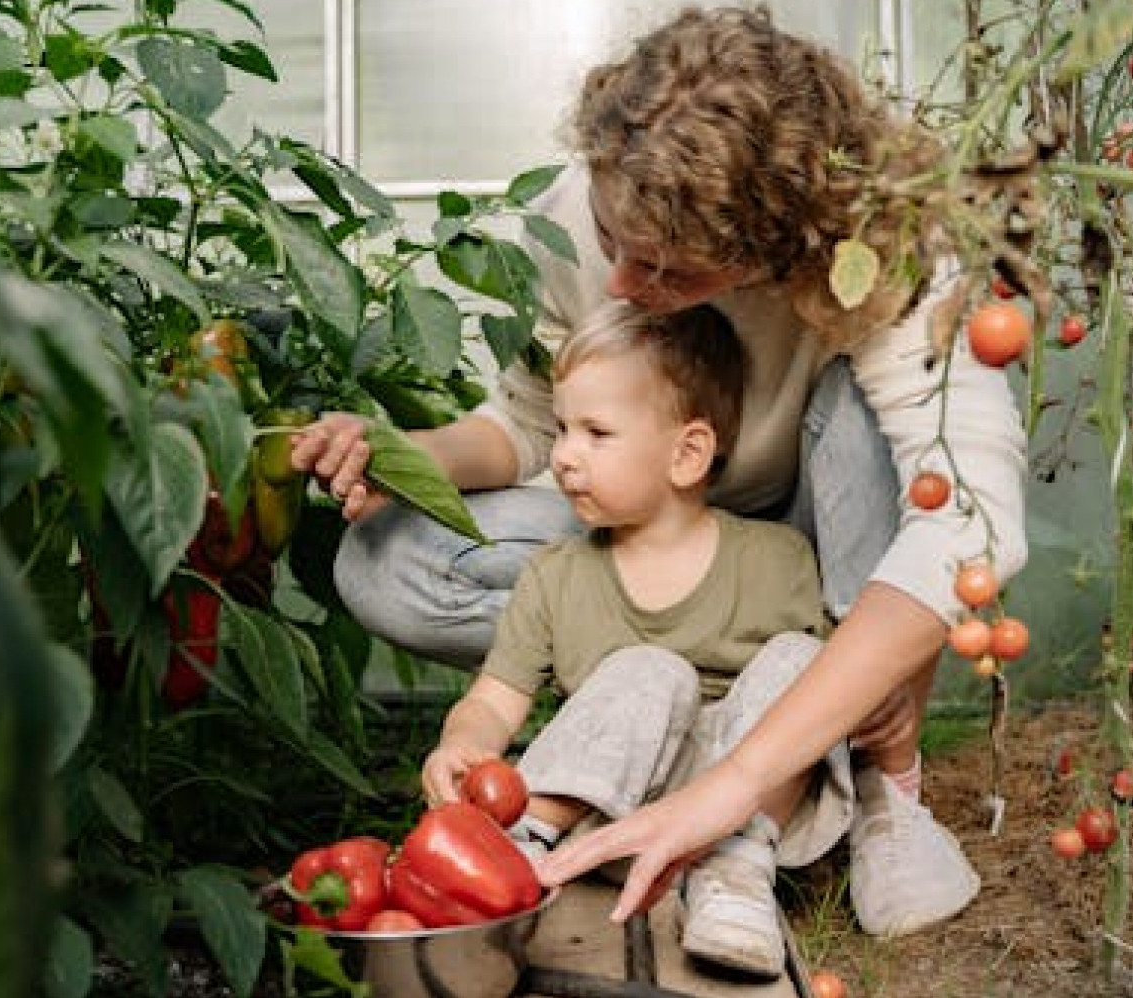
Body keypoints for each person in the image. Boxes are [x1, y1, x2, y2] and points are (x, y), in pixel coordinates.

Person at [290, 5, 1027, 936]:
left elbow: (971, 523)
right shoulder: (582, 212)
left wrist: (737, 784)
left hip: (816, 553)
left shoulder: (889, 248)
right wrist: (404, 458)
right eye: (613, 245)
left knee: (894, 451)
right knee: (387, 560)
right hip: (657, 528)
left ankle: (876, 779)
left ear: (777, 251)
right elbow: (526, 425)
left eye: (674, 274)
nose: (626, 290)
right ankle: (669, 714)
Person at [420, 300, 850, 977]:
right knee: (653, 670)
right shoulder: (555, 575)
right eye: (562, 428)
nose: (562, 456)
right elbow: (494, 701)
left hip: (729, 816)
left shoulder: (778, 560)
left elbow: (831, 709)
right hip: (604, 813)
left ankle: (734, 875)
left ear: (687, 454)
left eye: (595, 432)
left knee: (808, 662)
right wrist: (461, 746)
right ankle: (529, 843)